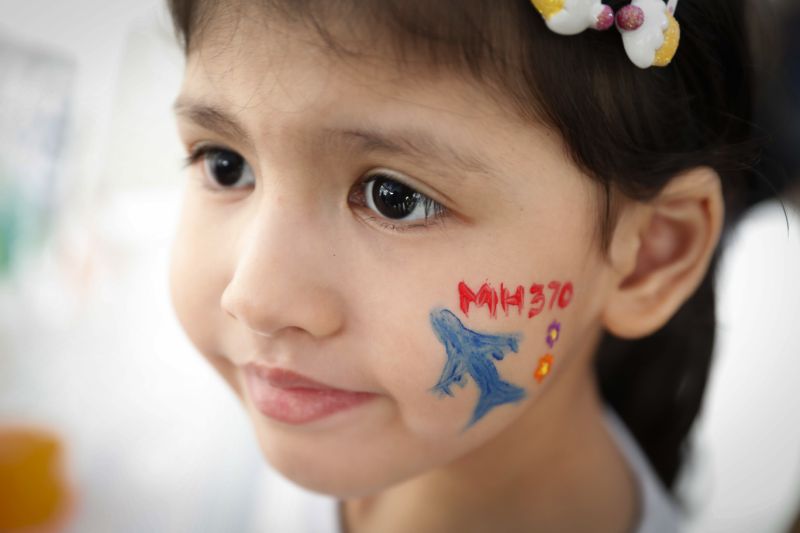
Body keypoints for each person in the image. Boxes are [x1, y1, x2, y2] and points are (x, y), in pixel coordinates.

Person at [165, 0, 773, 531]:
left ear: (646, 258)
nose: (254, 298)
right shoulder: (227, 439)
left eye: (394, 198)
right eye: (225, 165)